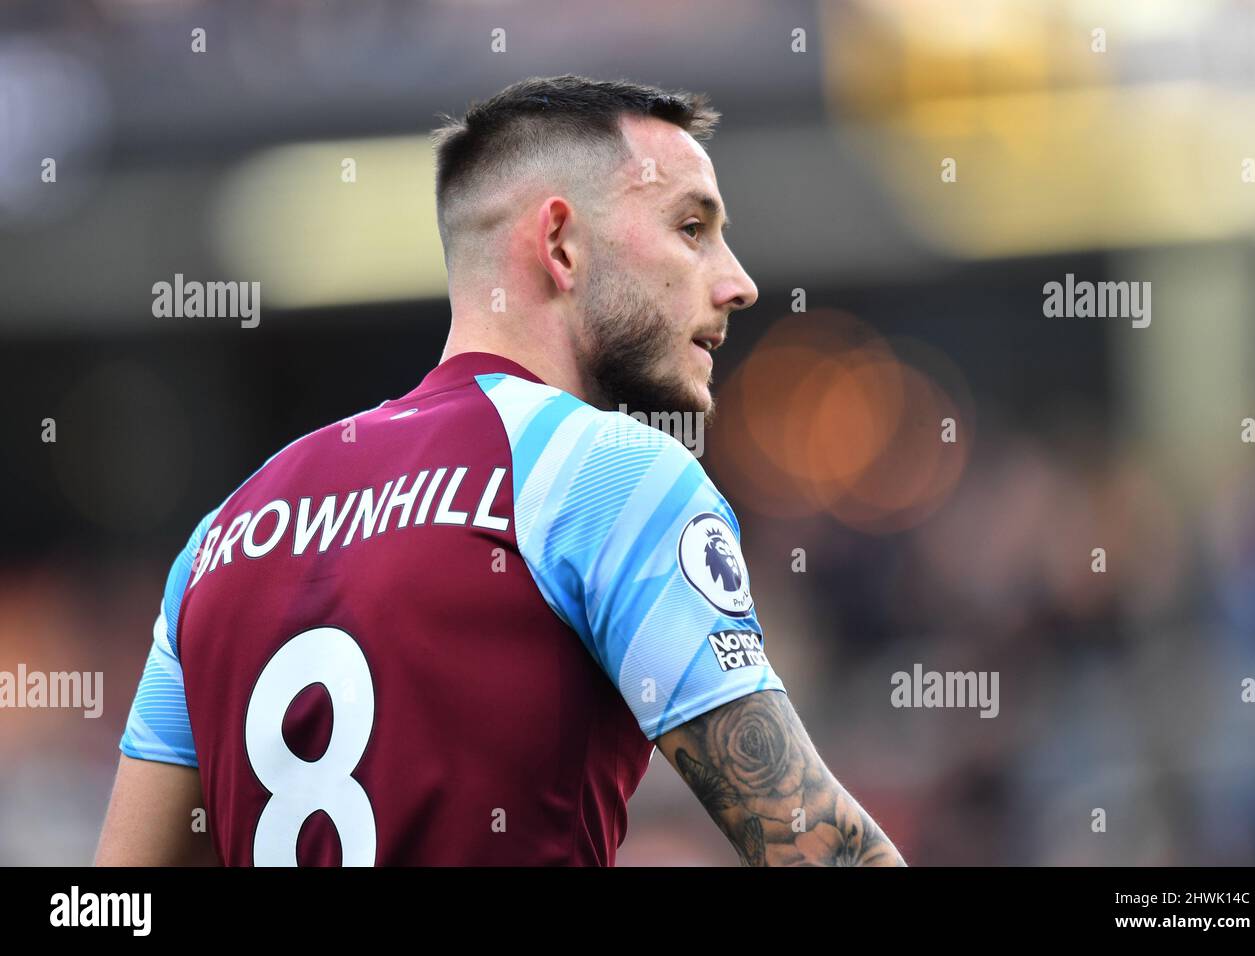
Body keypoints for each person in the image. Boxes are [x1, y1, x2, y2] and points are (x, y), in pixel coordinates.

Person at [95, 74, 904, 867]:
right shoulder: (605, 475)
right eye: (692, 228)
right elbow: (816, 846)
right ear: (560, 244)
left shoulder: (221, 536)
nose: (738, 282)